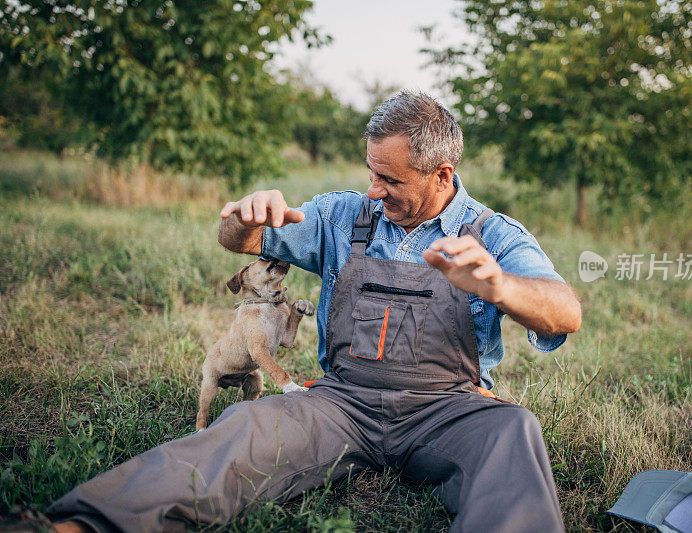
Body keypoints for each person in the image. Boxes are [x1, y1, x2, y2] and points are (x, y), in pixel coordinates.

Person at [43, 91, 581, 533]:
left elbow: (565, 312)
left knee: (513, 433)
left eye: (390, 180)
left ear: (441, 175)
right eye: (372, 172)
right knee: (246, 427)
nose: (374, 190)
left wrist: (499, 284)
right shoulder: (341, 214)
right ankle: (85, 523)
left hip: (448, 410)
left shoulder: (495, 235)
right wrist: (244, 218)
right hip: (341, 404)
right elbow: (240, 240)